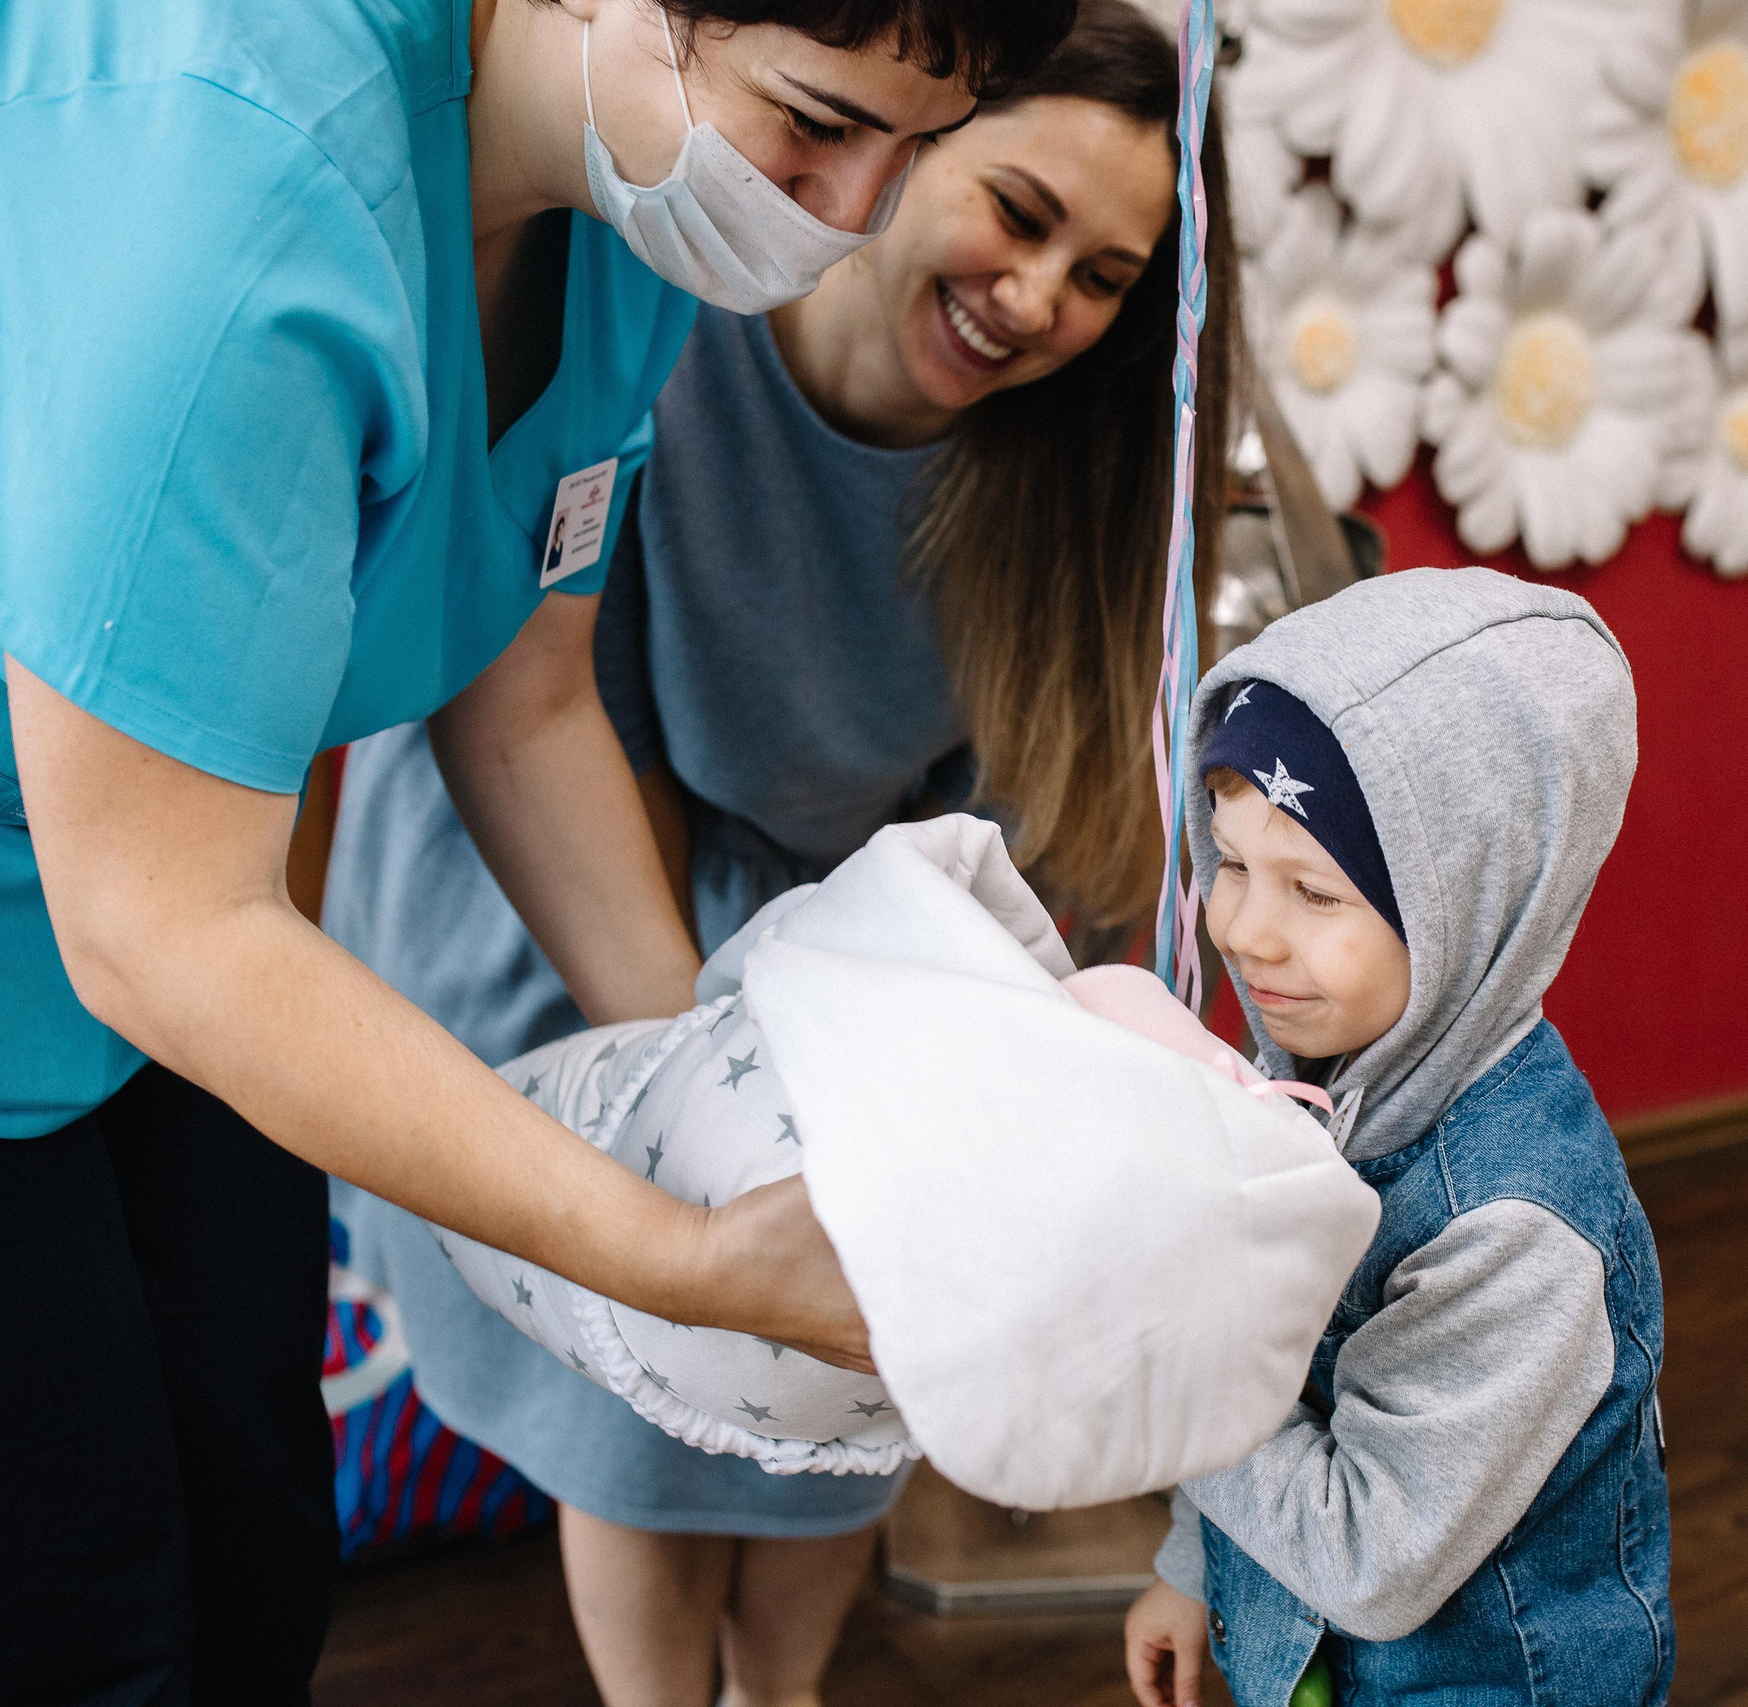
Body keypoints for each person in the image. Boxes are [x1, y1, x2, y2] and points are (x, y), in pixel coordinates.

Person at [0, 0, 1072, 1698]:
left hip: (162, 894)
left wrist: (734, 1086)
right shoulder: (232, 185)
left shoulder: (624, 199)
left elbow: (527, 693)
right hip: (87, 911)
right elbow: (160, 925)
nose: (854, 212)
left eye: (915, 147)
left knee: (254, 1538)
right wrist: (671, 1254)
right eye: (817, 123)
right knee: (70, 1605)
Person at [318, 3, 1237, 1699]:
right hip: (574, 886)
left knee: (866, 1356)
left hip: (855, 922)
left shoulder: (1067, 480)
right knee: (655, 1394)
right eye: (1021, 216)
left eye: (1105, 276)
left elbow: (1015, 836)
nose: (1040, 298)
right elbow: (549, 723)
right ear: (912, 144)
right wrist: (727, 1074)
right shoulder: (679, 307)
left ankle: (782, 1689)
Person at [1120, 569, 1677, 1706]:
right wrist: (1191, 1565)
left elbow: (1371, 1560)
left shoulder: (1513, 1229)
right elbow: (1259, 1347)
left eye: (1314, 894)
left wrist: (1150, 1358)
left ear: (1465, 904)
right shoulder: (1303, 1087)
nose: (1243, 928)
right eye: (1229, 863)